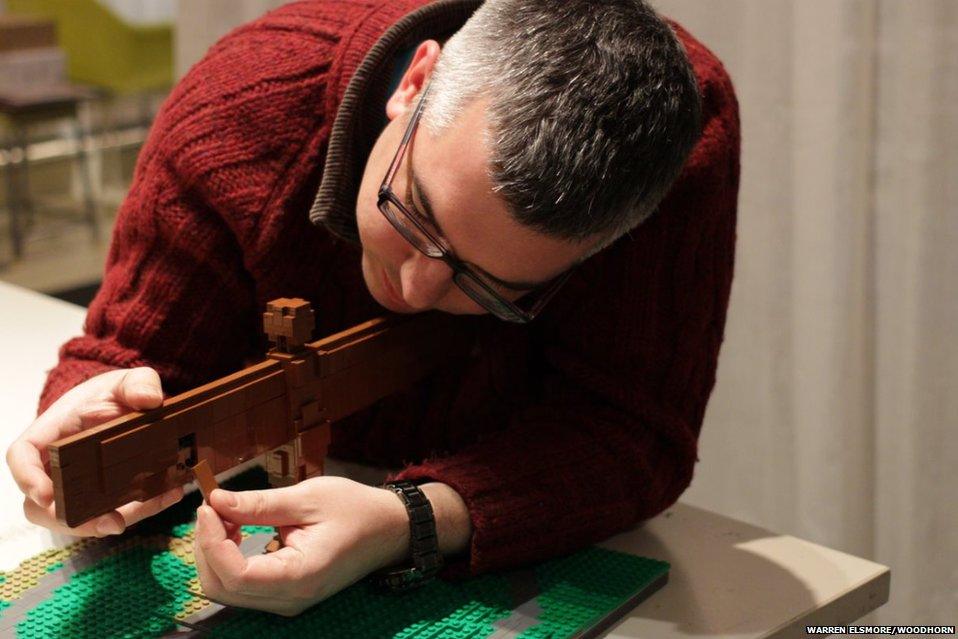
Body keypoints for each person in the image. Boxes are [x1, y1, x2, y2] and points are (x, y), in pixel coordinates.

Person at [6, 0, 739, 616]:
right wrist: (81, 431)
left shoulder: (676, 143)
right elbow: (131, 355)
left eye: (489, 285)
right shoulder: (241, 110)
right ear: (415, 83)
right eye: (415, 215)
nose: (417, 290)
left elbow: (635, 430)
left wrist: (411, 519)